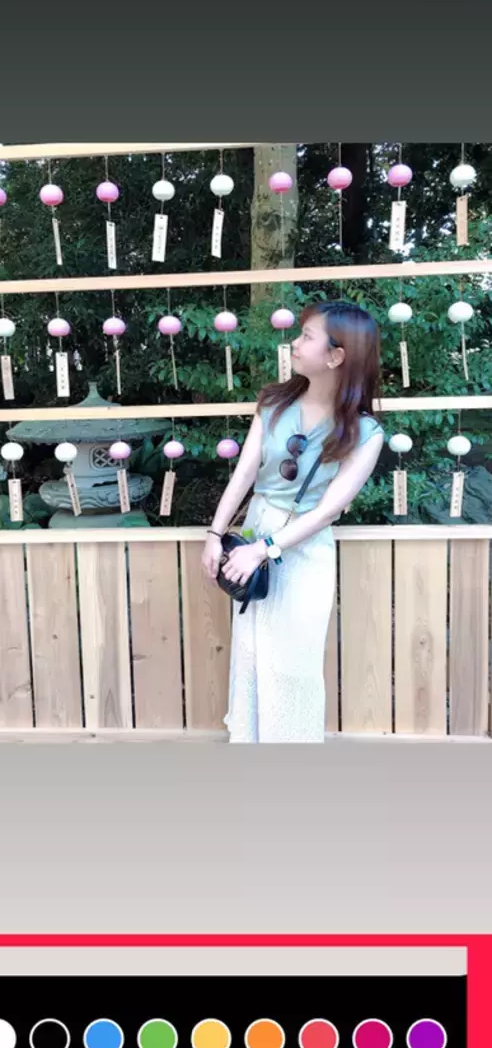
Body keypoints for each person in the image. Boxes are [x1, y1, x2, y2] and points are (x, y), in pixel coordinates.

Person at [201, 300, 385, 743]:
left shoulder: (365, 433)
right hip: (257, 525)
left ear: (336, 356)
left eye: (306, 336)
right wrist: (215, 534)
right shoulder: (273, 404)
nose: (294, 344)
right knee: (251, 650)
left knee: (293, 660)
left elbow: (327, 511)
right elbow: (244, 474)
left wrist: (262, 550)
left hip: (304, 547)